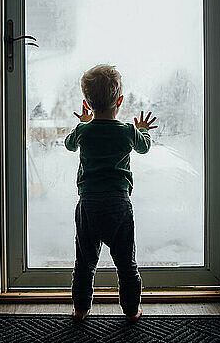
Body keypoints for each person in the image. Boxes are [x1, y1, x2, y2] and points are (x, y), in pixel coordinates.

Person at [64, 64, 157, 323]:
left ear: (87, 102)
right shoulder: (127, 131)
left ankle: (81, 309)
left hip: (89, 204)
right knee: (126, 263)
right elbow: (145, 148)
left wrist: (82, 123)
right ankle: (131, 310)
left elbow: (69, 144)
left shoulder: (83, 131)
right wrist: (143, 129)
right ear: (119, 100)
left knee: (84, 262)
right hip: (118, 203)